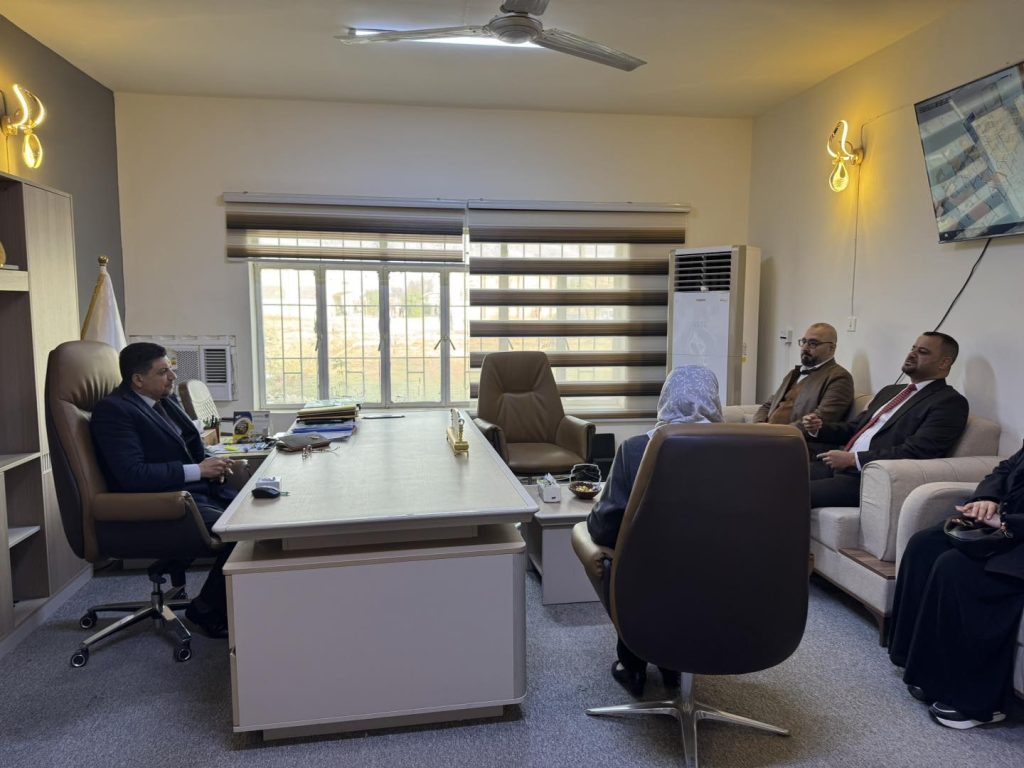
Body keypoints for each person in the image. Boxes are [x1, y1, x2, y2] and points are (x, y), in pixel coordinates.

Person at [586, 364, 723, 697]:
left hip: (650, 582)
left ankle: (633, 664)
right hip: (725, 580)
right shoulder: (750, 452)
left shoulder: (636, 449)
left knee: (613, 556)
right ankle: (675, 665)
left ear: (665, 399)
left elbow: (605, 527)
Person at [90, 342, 239, 638]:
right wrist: (199, 471)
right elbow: (133, 475)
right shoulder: (114, 411)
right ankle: (206, 609)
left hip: (191, 492)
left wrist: (214, 465)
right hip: (157, 504)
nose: (172, 377)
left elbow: (189, 448)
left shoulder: (162, 400)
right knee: (241, 533)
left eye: (170, 369)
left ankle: (240, 603)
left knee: (255, 515)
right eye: (163, 372)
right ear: (138, 379)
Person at [887, 444, 1024, 729]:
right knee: (924, 546)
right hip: (1005, 527)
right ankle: (925, 668)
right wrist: (987, 498)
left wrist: (1006, 521)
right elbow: (1006, 469)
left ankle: (979, 703)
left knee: (958, 567)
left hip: (1017, 531)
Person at [801, 332, 968, 508]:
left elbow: (918, 451)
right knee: (782, 474)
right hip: (836, 466)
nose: (912, 354)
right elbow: (856, 428)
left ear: (944, 363)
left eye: (923, 352)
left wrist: (854, 459)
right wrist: (818, 429)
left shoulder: (949, 402)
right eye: (913, 348)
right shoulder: (890, 391)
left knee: (792, 491)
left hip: (867, 478)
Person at [753, 323, 854, 439]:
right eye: (804, 341)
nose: (805, 348)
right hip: (768, 436)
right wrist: (758, 425)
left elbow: (819, 420)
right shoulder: (794, 373)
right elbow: (769, 404)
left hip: (798, 442)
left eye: (813, 343)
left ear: (831, 348)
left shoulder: (839, 377)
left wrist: (775, 432)